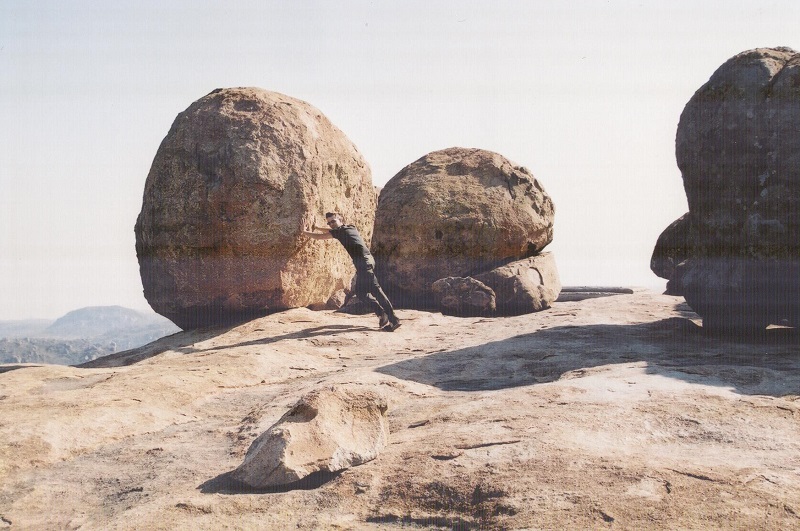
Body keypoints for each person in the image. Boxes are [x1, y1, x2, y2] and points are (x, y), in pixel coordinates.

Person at [303, 212, 401, 331]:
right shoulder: (350, 227)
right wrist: (317, 227)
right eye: (329, 223)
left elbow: (319, 237)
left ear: (340, 219)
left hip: (364, 263)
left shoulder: (339, 231)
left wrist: (302, 231)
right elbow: (329, 231)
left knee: (376, 290)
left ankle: (393, 319)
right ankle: (381, 314)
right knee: (361, 293)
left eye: (333, 221)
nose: (331, 224)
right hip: (367, 261)